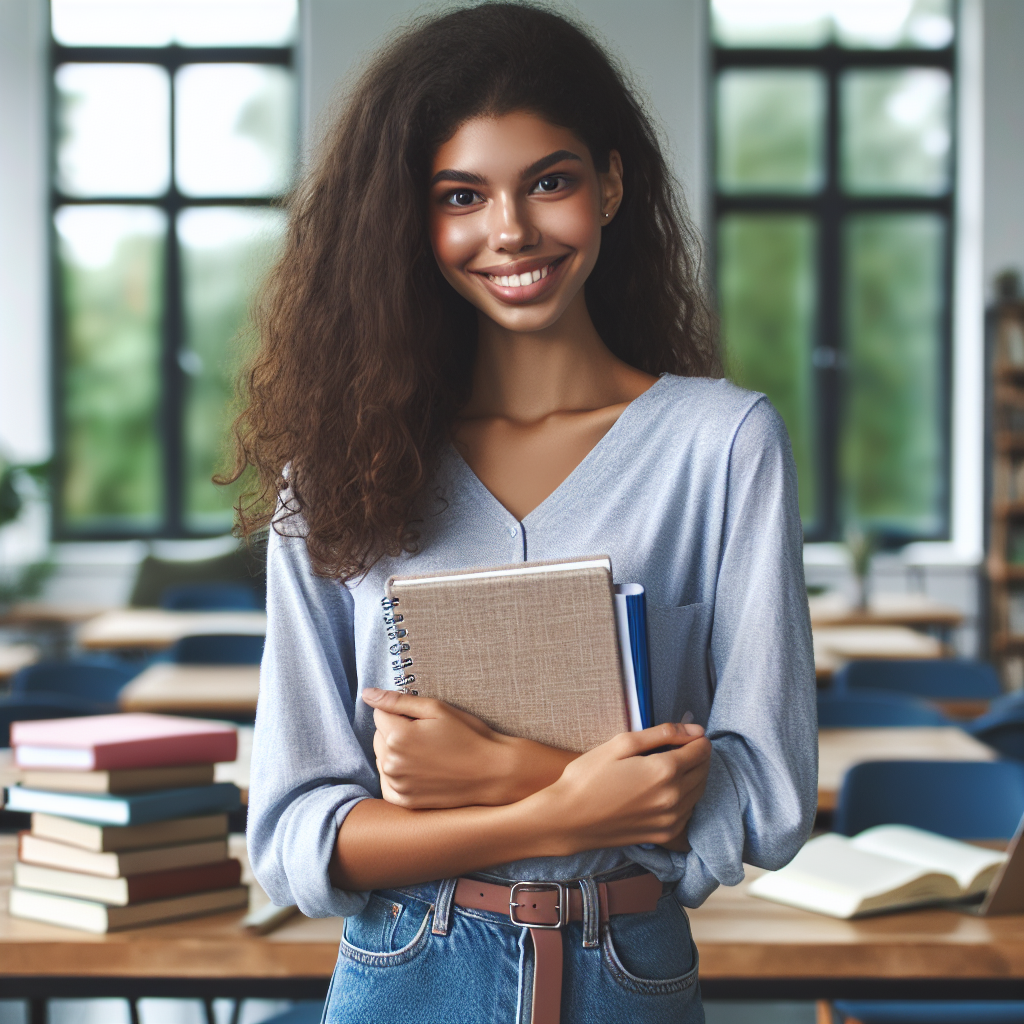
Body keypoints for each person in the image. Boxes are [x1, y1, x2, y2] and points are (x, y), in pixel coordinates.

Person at [234, 5, 817, 1023]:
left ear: (611, 184)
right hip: (406, 968)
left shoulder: (723, 446)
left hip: (629, 973)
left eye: (549, 181)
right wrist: (561, 809)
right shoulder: (330, 472)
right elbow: (294, 835)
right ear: (409, 220)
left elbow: (766, 802)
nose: (510, 229)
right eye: (461, 195)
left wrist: (502, 770)